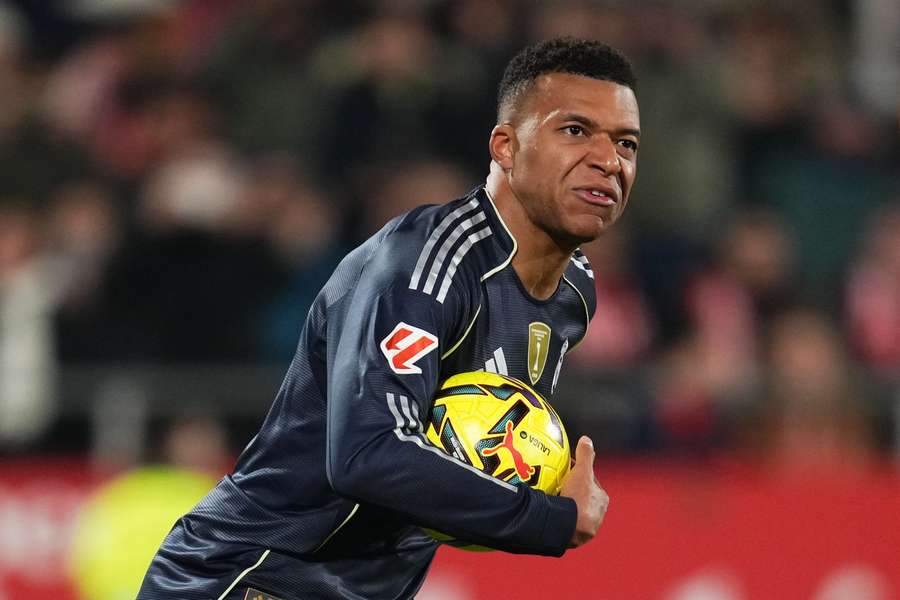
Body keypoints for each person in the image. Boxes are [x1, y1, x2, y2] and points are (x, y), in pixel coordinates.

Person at [137, 37, 640, 600]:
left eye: (626, 142)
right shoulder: (422, 264)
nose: (607, 159)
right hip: (251, 576)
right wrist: (547, 518)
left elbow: (460, 459)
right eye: (575, 131)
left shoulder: (575, 292)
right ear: (505, 146)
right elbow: (366, 454)